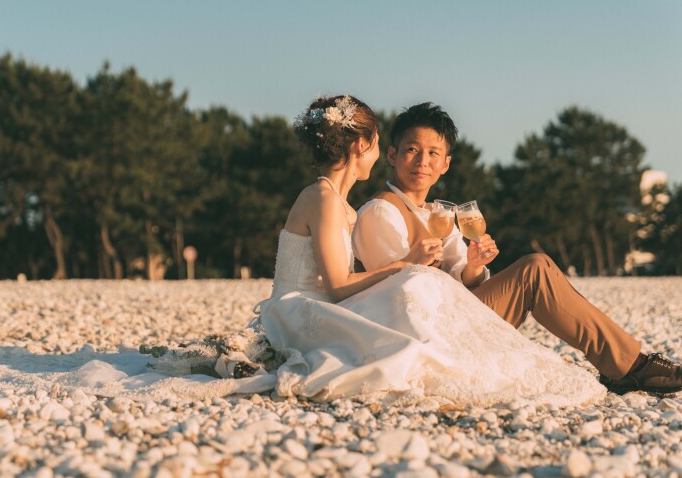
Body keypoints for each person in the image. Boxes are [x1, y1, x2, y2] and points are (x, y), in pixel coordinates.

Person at [250, 95, 605, 405]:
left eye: (434, 153)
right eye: (379, 144)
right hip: (303, 312)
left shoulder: (340, 204)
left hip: (327, 306)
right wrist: (407, 264)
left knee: (424, 286)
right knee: (419, 288)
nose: (380, 155)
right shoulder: (326, 199)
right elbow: (339, 285)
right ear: (362, 146)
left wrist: (470, 265)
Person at [352, 102, 682, 395]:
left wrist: (473, 265)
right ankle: (628, 366)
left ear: (446, 164)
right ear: (392, 155)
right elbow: (398, 297)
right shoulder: (382, 211)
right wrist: (424, 264)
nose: (423, 161)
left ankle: (625, 362)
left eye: (433, 153)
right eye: (412, 150)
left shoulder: (438, 213)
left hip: (454, 318)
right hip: (429, 334)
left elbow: (462, 277)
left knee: (540, 266)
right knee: (534, 269)